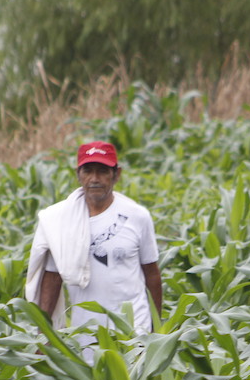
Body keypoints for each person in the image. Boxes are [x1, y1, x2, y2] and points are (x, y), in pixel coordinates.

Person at [26, 140, 162, 336]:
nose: (95, 178)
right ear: (78, 175)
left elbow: (152, 274)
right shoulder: (60, 221)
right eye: (88, 171)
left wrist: (155, 330)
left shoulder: (137, 216)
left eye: (103, 171)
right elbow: (52, 277)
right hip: (85, 334)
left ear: (117, 174)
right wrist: (44, 334)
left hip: (133, 333)